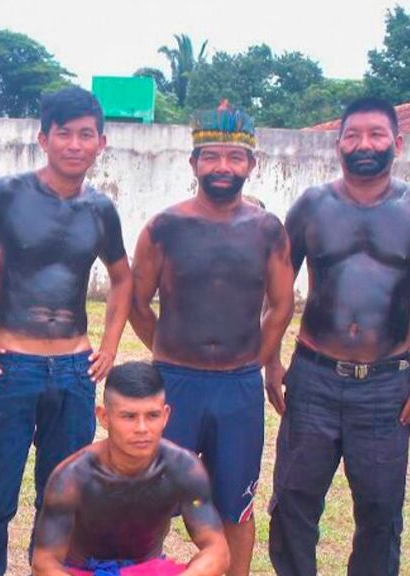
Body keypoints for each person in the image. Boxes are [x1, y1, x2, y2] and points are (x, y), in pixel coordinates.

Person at [0, 87, 132, 576]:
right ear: (43, 138)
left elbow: (122, 277)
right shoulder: (6, 194)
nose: (75, 145)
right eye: (64, 134)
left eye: (85, 135)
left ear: (101, 142)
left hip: (76, 372)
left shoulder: (100, 210)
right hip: (12, 367)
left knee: (61, 498)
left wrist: (111, 344)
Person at [129, 105, 295, 576]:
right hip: (175, 384)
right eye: (212, 157)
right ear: (194, 163)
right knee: (155, 498)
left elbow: (281, 305)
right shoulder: (165, 227)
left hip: (238, 390)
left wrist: (256, 360)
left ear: (251, 165)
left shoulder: (267, 230)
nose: (224, 167)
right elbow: (139, 302)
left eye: (235, 158)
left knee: (235, 505)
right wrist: (167, 349)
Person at [265, 97, 410, 576]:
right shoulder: (313, 205)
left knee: (380, 511)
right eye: (353, 136)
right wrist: (271, 360)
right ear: (338, 145)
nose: (363, 145)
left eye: (375, 135)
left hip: (385, 386)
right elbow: (277, 288)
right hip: (313, 378)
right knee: (292, 502)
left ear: (397, 142)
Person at [31, 362, 230, 576]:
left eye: (152, 415)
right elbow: (44, 564)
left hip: (148, 570)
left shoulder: (183, 468)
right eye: (129, 417)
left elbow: (217, 550)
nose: (142, 429)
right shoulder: (72, 477)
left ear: (165, 415)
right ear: (104, 417)